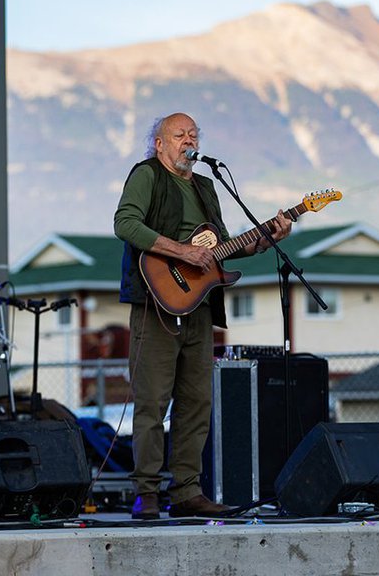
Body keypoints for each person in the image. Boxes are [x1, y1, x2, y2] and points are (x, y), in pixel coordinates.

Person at [114, 112, 292, 520]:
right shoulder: (147, 175)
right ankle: (147, 494)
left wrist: (267, 237)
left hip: (198, 308)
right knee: (152, 404)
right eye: (179, 134)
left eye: (193, 134)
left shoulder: (207, 185)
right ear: (159, 143)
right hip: (155, 304)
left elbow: (224, 247)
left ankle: (186, 491)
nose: (188, 139)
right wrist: (181, 252)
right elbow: (124, 223)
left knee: (196, 403)